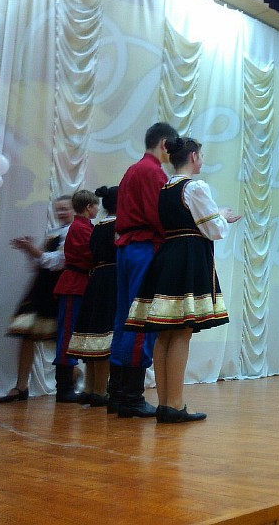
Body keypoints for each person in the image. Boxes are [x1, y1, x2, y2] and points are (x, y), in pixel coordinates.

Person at [124, 137, 240, 423]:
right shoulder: (195, 187)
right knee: (181, 331)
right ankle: (174, 404)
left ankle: (166, 403)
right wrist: (222, 216)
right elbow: (213, 229)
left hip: (168, 256)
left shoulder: (166, 188)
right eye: (200, 155)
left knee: (166, 332)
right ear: (193, 157)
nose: (201, 160)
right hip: (188, 257)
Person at [110, 121, 178, 418]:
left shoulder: (132, 170)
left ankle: (118, 393)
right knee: (142, 320)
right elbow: (158, 215)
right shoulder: (153, 172)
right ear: (164, 144)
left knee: (123, 319)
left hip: (126, 248)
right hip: (144, 247)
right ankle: (132, 397)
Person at [0, 196, 74, 403]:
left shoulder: (72, 232)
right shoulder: (54, 232)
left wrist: (32, 249)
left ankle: (72, 379)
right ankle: (21, 386)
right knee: (26, 335)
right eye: (58, 209)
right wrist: (29, 250)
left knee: (59, 340)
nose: (60, 213)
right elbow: (40, 263)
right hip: (40, 288)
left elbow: (58, 262)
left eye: (65, 209)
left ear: (74, 210)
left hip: (55, 291)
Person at [67, 186, 119, 407]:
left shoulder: (97, 227)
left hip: (95, 279)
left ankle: (89, 388)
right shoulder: (118, 226)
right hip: (111, 280)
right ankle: (100, 390)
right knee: (104, 335)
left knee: (93, 333)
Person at [51, 189, 100, 403]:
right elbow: (90, 254)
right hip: (74, 285)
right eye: (96, 206)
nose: (97, 209)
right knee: (67, 335)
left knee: (73, 333)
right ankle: (63, 387)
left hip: (80, 284)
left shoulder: (84, 227)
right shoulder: (79, 228)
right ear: (89, 207)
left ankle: (69, 384)